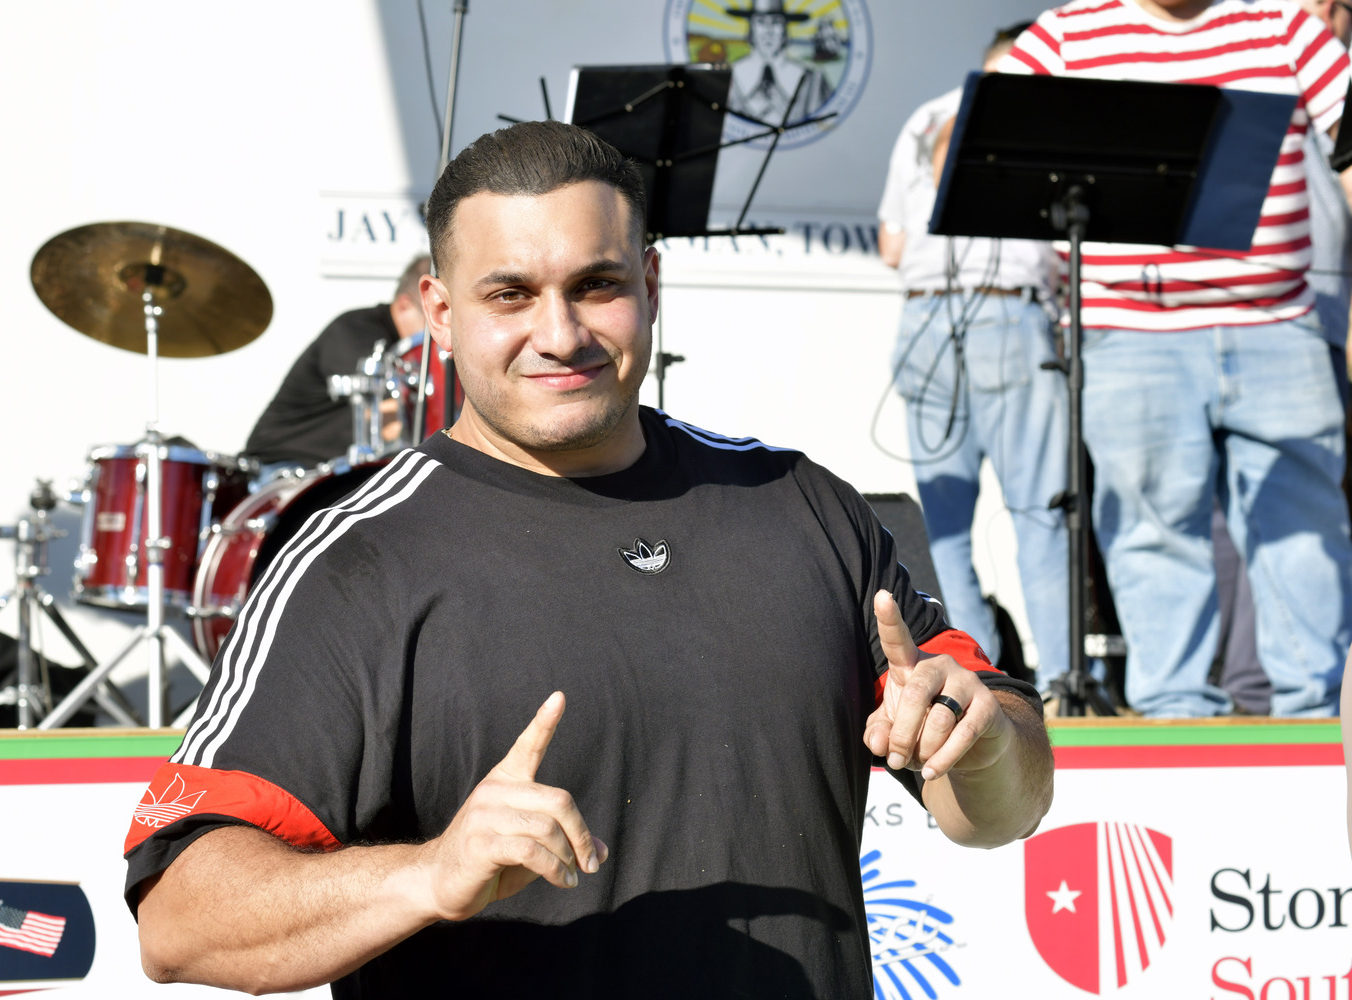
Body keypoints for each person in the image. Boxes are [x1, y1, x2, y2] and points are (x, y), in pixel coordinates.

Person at [122, 120, 1054, 998]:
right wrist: (429, 875)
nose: (561, 334)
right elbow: (179, 919)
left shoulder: (800, 506)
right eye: (510, 295)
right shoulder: (358, 558)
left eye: (596, 285)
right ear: (440, 315)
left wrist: (983, 745)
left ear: (651, 280)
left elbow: (1003, 805)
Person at [1001, 0, 1352, 717]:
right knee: (1150, 537)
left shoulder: (1282, 25)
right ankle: (1177, 725)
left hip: (1278, 326)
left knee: (1306, 530)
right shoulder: (1068, 32)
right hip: (1131, 335)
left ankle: (1318, 726)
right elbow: (989, 142)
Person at [876, 23, 1071, 699]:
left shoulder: (924, 115)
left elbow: (892, 246)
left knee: (945, 529)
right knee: (1041, 513)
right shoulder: (1053, 121)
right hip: (1009, 312)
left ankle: (977, 681)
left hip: (927, 315)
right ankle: (1062, 684)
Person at [242, 254, 430, 481]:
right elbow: (385, 423)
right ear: (404, 306)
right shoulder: (355, 330)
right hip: (282, 468)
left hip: (332, 475)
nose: (442, 329)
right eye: (433, 316)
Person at [726, 0, 833, 124]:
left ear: (785, 28)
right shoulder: (727, 77)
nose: (768, 31)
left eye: (776, 22)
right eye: (760, 22)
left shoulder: (814, 82)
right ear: (751, 27)